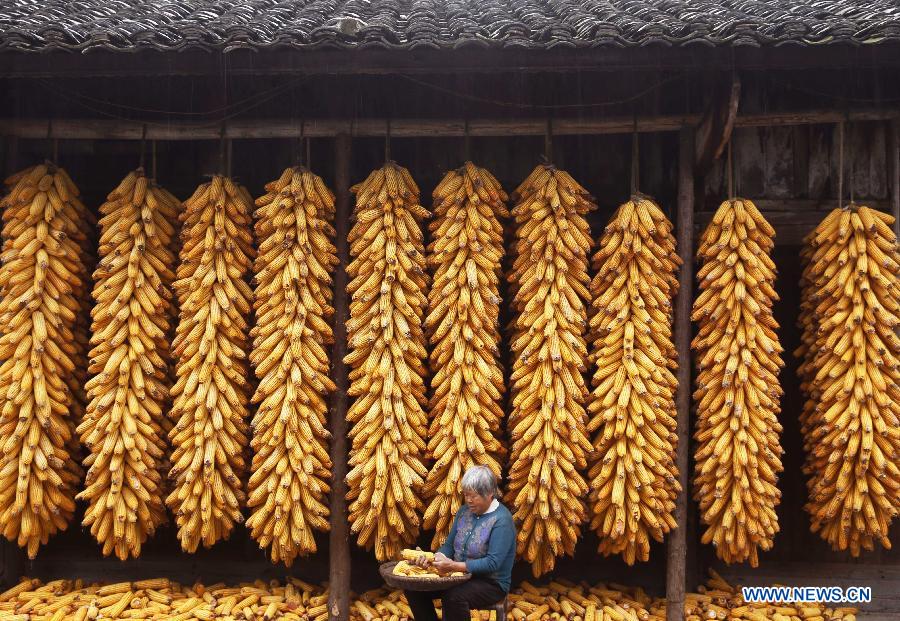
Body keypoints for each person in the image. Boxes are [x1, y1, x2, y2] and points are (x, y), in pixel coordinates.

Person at [405, 465, 516, 621]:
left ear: (490, 494)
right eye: (466, 495)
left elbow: (493, 563)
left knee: (453, 596)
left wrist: (453, 566)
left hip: (490, 583)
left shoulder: (502, 520)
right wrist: (434, 558)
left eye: (474, 496)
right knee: (414, 588)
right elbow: (450, 545)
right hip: (457, 576)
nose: (469, 500)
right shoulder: (464, 512)